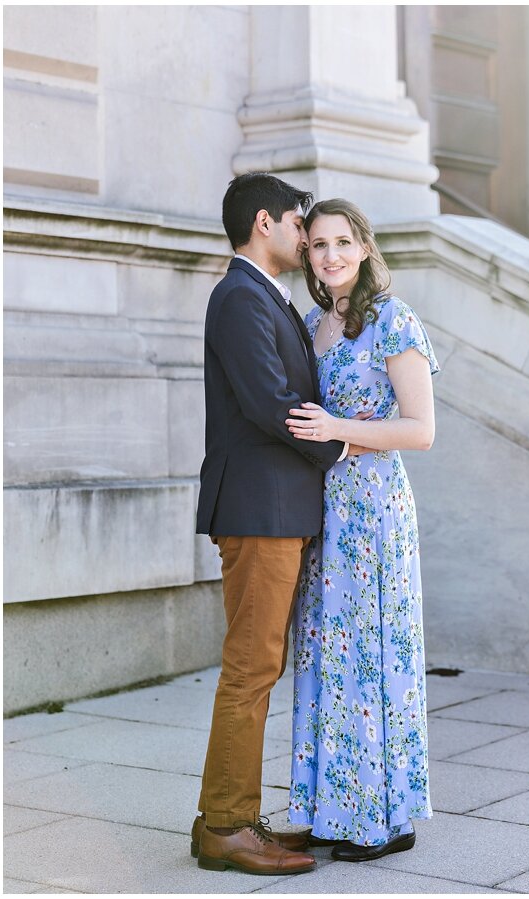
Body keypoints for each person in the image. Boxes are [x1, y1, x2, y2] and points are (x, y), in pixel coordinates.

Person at [194, 173, 359, 875]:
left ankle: (237, 811)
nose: (306, 235)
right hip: (258, 510)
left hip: (278, 508)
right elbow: (271, 400)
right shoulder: (239, 296)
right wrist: (342, 443)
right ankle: (226, 825)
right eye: (299, 223)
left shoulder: (266, 296)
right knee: (251, 665)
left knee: (261, 663)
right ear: (266, 223)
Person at [284, 198, 438, 861]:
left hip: (374, 510)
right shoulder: (317, 324)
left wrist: (339, 430)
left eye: (342, 242)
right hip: (327, 512)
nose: (331, 255)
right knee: (330, 658)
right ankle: (333, 810)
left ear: (365, 248)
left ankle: (384, 818)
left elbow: (421, 430)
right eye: (318, 245)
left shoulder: (392, 321)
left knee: (372, 657)